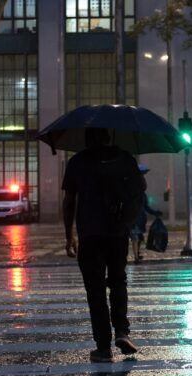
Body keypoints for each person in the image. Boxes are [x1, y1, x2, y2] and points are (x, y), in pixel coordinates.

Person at [62, 128, 141, 363]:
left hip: (90, 235)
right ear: (109, 137)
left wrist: (69, 236)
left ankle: (103, 348)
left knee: (95, 290)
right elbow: (140, 188)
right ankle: (122, 332)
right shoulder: (125, 158)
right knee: (118, 281)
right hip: (118, 233)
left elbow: (69, 202)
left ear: (87, 140)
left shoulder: (77, 162)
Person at [130, 164, 162, 263]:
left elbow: (146, 207)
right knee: (135, 238)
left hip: (139, 220)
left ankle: (137, 254)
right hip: (134, 219)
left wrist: (155, 212)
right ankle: (136, 257)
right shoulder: (134, 194)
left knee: (138, 238)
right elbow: (145, 207)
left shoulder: (142, 195)